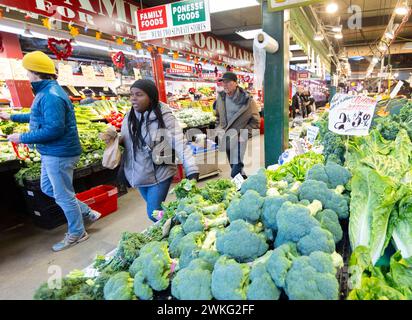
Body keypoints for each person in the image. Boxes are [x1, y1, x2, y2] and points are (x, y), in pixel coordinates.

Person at [0, 51, 101, 252]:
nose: (26, 76)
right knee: (49, 188)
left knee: (63, 195)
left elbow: (54, 129)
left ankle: (77, 233)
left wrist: (22, 138)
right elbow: (38, 116)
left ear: (35, 73)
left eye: (27, 72)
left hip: (59, 153)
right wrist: (12, 118)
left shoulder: (51, 95)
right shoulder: (46, 92)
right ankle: (87, 212)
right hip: (52, 153)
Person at [117, 79, 199, 222]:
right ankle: (179, 220)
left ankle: (178, 225)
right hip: (139, 174)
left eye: (139, 94)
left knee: (153, 212)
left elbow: (179, 142)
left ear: (151, 97)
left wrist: (191, 169)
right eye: (131, 94)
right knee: (158, 211)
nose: (133, 98)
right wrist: (115, 140)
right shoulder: (129, 116)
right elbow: (127, 139)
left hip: (159, 172)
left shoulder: (164, 116)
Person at [214, 72, 260, 179]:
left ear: (235, 83)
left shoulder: (246, 100)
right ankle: (243, 185)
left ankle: (240, 184)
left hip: (239, 137)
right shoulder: (221, 98)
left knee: (236, 167)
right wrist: (218, 129)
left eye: (228, 82)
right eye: (223, 82)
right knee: (233, 165)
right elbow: (217, 117)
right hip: (226, 137)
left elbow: (256, 121)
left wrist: (244, 135)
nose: (225, 85)